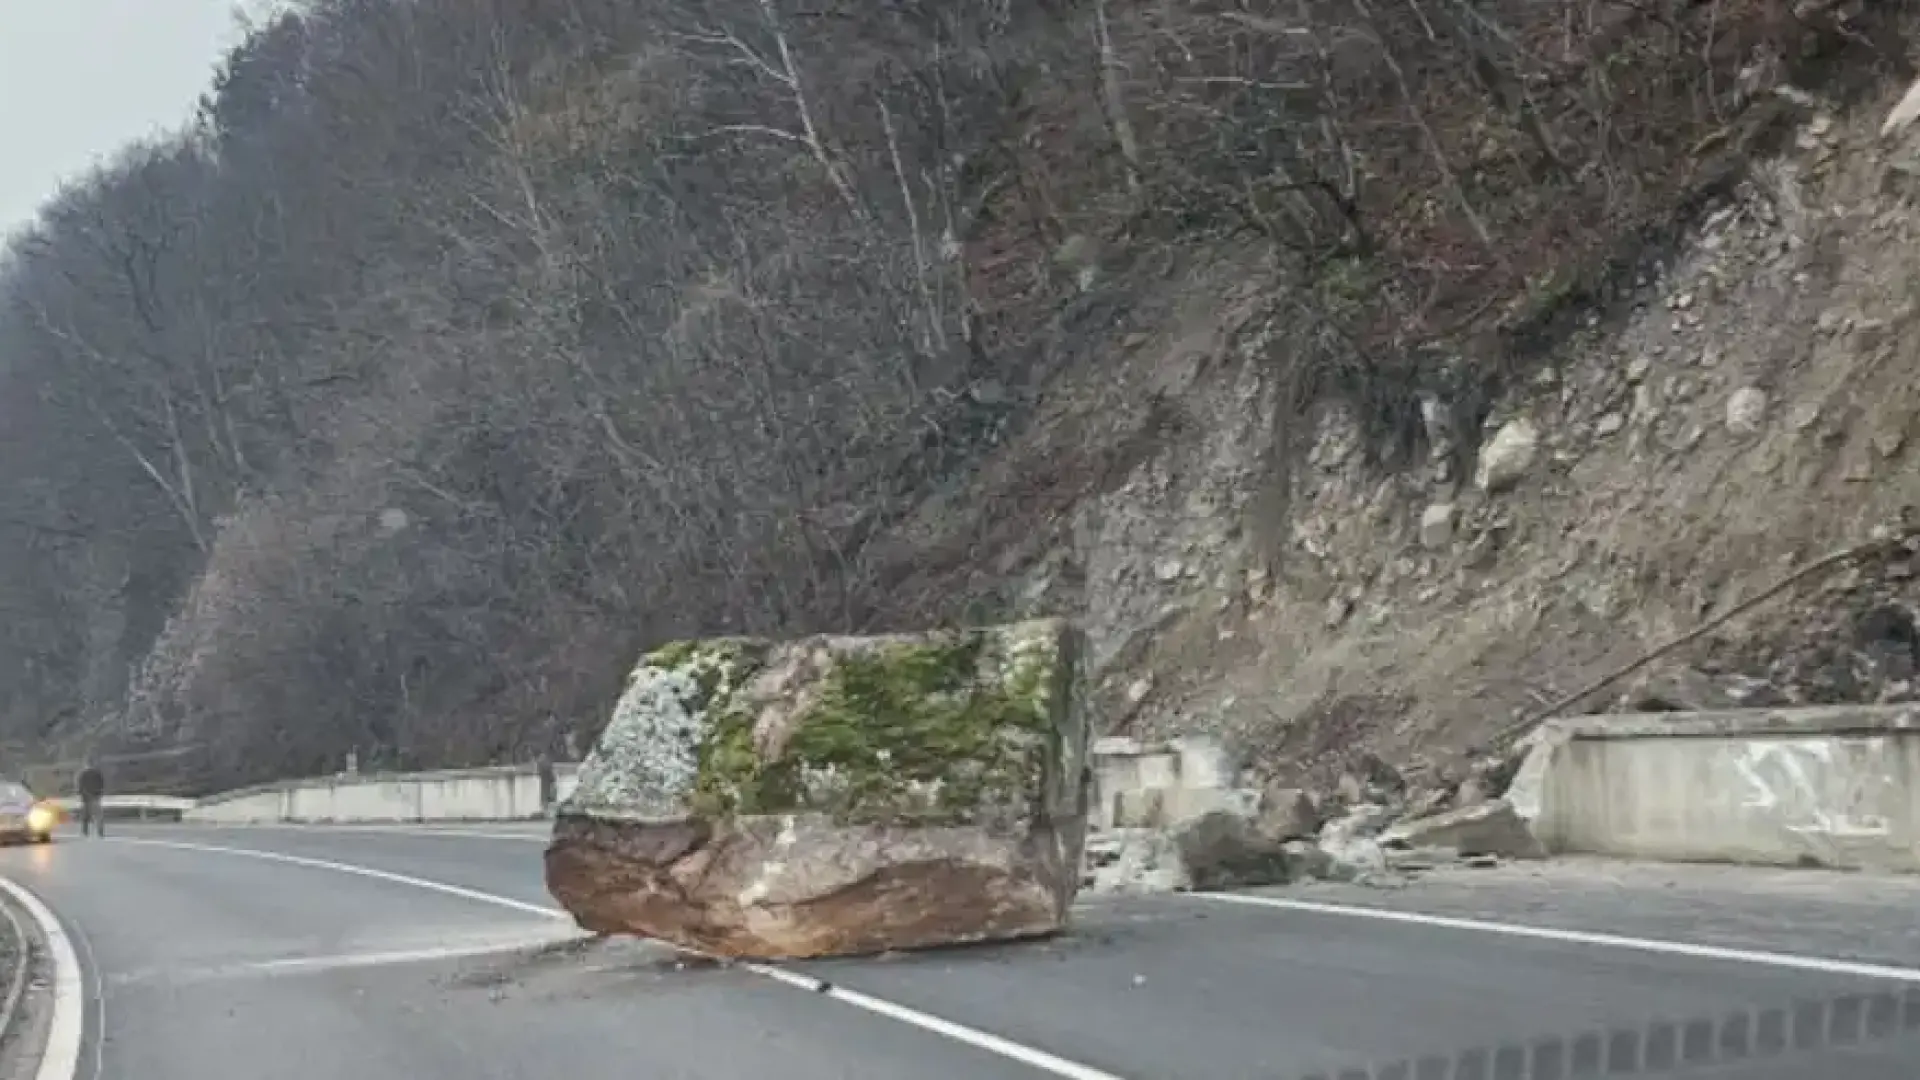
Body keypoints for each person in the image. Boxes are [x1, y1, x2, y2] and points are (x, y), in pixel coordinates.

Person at [75, 759, 105, 838]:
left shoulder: (82, 773)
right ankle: (100, 831)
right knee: (98, 815)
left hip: (86, 797)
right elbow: (101, 784)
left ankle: (85, 831)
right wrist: (100, 793)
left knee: (85, 815)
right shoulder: (97, 773)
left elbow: (79, 786)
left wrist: (80, 794)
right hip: (95, 796)